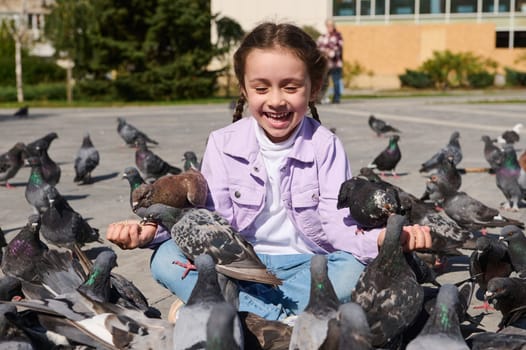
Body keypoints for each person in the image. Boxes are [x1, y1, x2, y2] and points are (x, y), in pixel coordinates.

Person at [106, 21, 431, 322]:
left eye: (290, 87)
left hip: (311, 263)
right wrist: (152, 231)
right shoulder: (223, 143)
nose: (276, 100)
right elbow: (208, 219)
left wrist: (382, 240)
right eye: (262, 89)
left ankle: (237, 312)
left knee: (352, 272)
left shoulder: (326, 145)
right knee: (165, 259)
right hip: (238, 261)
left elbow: (337, 224)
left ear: (314, 87)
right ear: (244, 89)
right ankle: (284, 319)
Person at [317, 19, 344, 103]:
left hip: (335, 64)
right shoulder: (323, 36)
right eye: (328, 26)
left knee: (336, 81)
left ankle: (336, 98)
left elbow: (338, 48)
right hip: (325, 63)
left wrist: (329, 51)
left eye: (331, 25)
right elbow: (318, 47)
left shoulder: (338, 36)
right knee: (323, 82)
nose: (330, 27)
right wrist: (326, 51)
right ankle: (319, 98)